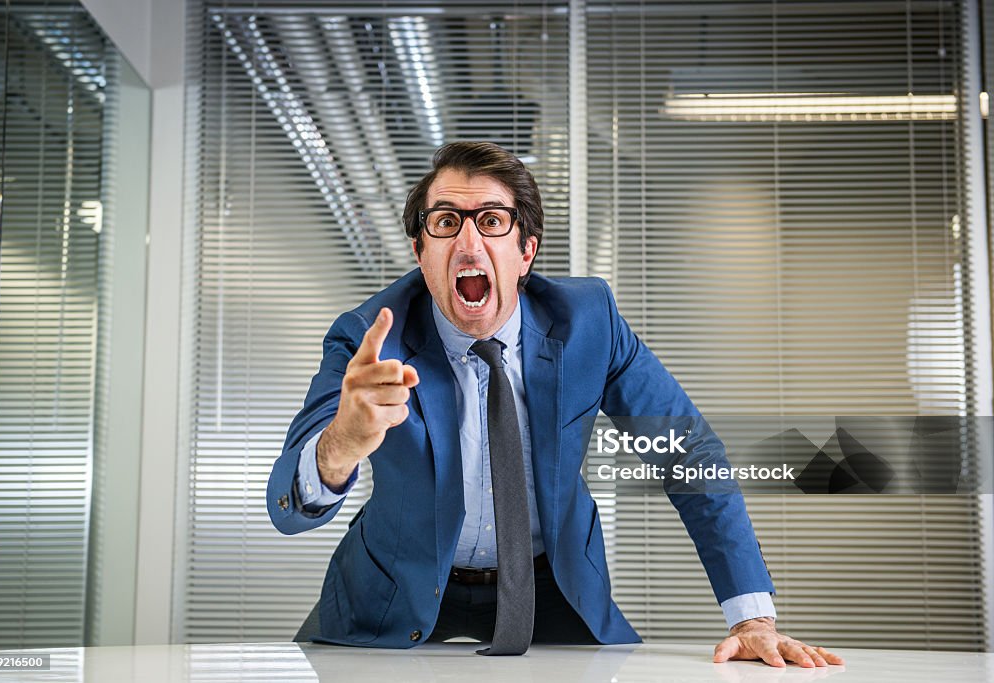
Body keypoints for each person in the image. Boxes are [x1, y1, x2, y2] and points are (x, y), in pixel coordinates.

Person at [267, 141, 844, 666]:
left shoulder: (589, 323)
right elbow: (287, 509)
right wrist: (342, 441)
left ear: (526, 251)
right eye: (446, 223)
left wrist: (751, 616)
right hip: (392, 588)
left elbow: (688, 454)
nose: (468, 243)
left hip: (552, 590)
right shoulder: (369, 337)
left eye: (491, 221)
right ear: (421, 252)